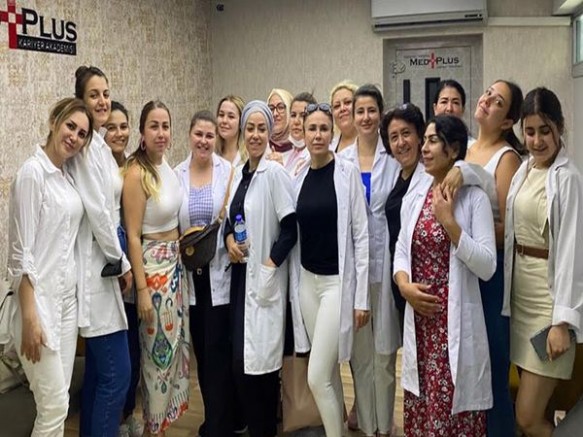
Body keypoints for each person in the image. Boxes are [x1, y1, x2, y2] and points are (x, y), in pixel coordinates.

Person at [394, 115, 496, 436]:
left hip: (453, 326)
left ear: (453, 150)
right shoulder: (417, 193)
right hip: (421, 324)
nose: (424, 148)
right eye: (424, 140)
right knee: (423, 412)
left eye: (433, 141)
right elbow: (401, 249)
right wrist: (404, 286)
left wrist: (450, 223)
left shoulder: (474, 198)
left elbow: (487, 265)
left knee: (452, 414)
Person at [8, 98, 92, 436]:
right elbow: (21, 254)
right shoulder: (33, 173)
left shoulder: (67, 176)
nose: (74, 137)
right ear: (54, 120)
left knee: (59, 404)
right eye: (70, 126)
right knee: (54, 404)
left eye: (82, 133)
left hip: (66, 305)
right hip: (37, 306)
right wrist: (30, 318)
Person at [503, 87, 583, 437]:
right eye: (530, 131)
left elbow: (572, 253)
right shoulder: (524, 170)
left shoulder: (568, 178)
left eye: (545, 131)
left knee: (527, 417)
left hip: (547, 307)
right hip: (520, 299)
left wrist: (562, 322)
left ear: (560, 127)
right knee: (538, 408)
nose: (537, 141)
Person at [289, 102, 369, 436]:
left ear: (332, 132)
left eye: (324, 128)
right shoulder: (298, 177)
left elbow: (361, 236)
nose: (318, 135)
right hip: (308, 284)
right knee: (329, 375)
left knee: (317, 376)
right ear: (304, 133)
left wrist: (361, 298)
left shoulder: (347, 173)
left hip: (337, 285)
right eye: (312, 129)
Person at [224, 100, 297, 437]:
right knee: (241, 366)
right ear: (243, 132)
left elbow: (290, 229)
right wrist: (229, 240)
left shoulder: (275, 174)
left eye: (261, 129)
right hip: (241, 279)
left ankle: (264, 430)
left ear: (269, 133)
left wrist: (269, 266)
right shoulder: (241, 174)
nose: (255, 135)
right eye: (250, 128)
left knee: (262, 373)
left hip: (263, 280)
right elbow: (230, 220)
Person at [68, 66, 133, 437]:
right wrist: (122, 263)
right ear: (81, 100)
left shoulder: (100, 147)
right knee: (116, 375)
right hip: (99, 268)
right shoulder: (84, 151)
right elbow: (100, 216)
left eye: (106, 93)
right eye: (94, 95)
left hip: (106, 263)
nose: (103, 101)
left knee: (96, 375)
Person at [123, 100, 190, 435]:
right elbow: (133, 236)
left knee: (174, 351)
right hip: (152, 271)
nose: (161, 133)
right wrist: (143, 290)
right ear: (142, 132)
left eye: (165, 126)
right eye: (154, 126)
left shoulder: (169, 169)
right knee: (155, 356)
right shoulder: (137, 174)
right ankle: (153, 427)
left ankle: (160, 425)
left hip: (175, 268)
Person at [339, 84, 400, 437]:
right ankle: (365, 421)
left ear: (380, 113)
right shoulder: (341, 161)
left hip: (387, 265)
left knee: (385, 352)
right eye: (359, 111)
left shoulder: (393, 159)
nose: (365, 117)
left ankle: (384, 424)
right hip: (354, 270)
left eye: (371, 110)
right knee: (360, 355)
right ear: (351, 116)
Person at [467, 79, 524, 437]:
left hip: (490, 276)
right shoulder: (466, 148)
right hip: (463, 270)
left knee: (493, 367)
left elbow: (507, 228)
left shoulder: (506, 158)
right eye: (488, 93)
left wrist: (465, 238)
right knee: (470, 366)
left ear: (507, 121)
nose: (487, 100)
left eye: (498, 101)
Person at [174, 110, 234, 437]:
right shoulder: (176, 174)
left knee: (218, 352)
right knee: (202, 353)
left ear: (216, 139)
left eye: (210, 135)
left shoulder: (227, 171)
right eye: (199, 134)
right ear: (190, 135)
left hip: (219, 273)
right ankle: (213, 418)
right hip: (190, 276)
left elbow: (234, 217)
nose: (204, 141)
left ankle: (220, 425)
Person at [103, 101, 144, 437]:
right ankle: (114, 420)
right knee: (117, 359)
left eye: (123, 126)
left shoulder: (131, 166)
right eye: (111, 128)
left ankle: (128, 413)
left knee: (134, 348)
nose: (119, 133)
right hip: (112, 271)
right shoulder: (99, 167)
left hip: (133, 268)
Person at [285, 92, 317, 175]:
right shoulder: (288, 154)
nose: (296, 121)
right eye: (293, 115)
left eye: (303, 116)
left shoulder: (314, 158)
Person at [216, 95, 247, 166]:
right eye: (221, 115)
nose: (224, 120)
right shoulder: (211, 153)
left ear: (241, 122)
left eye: (231, 117)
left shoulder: (249, 157)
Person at [267, 88, 294, 165]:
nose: (275, 114)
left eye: (281, 107)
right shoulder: (261, 146)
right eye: (271, 108)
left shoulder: (300, 148)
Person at [330, 80, 358, 153]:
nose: (342, 109)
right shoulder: (329, 147)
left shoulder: (375, 140)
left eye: (347, 102)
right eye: (337, 106)